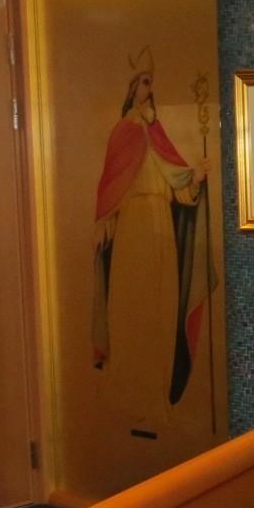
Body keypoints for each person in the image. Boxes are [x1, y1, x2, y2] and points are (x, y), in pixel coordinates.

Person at [91, 50, 211, 429]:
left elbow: (177, 186)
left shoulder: (156, 135)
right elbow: (111, 188)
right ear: (132, 89)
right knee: (133, 309)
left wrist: (195, 178)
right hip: (134, 228)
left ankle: (155, 399)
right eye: (144, 83)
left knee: (161, 308)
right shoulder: (122, 134)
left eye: (151, 84)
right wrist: (105, 222)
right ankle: (129, 397)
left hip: (160, 225)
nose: (149, 90)